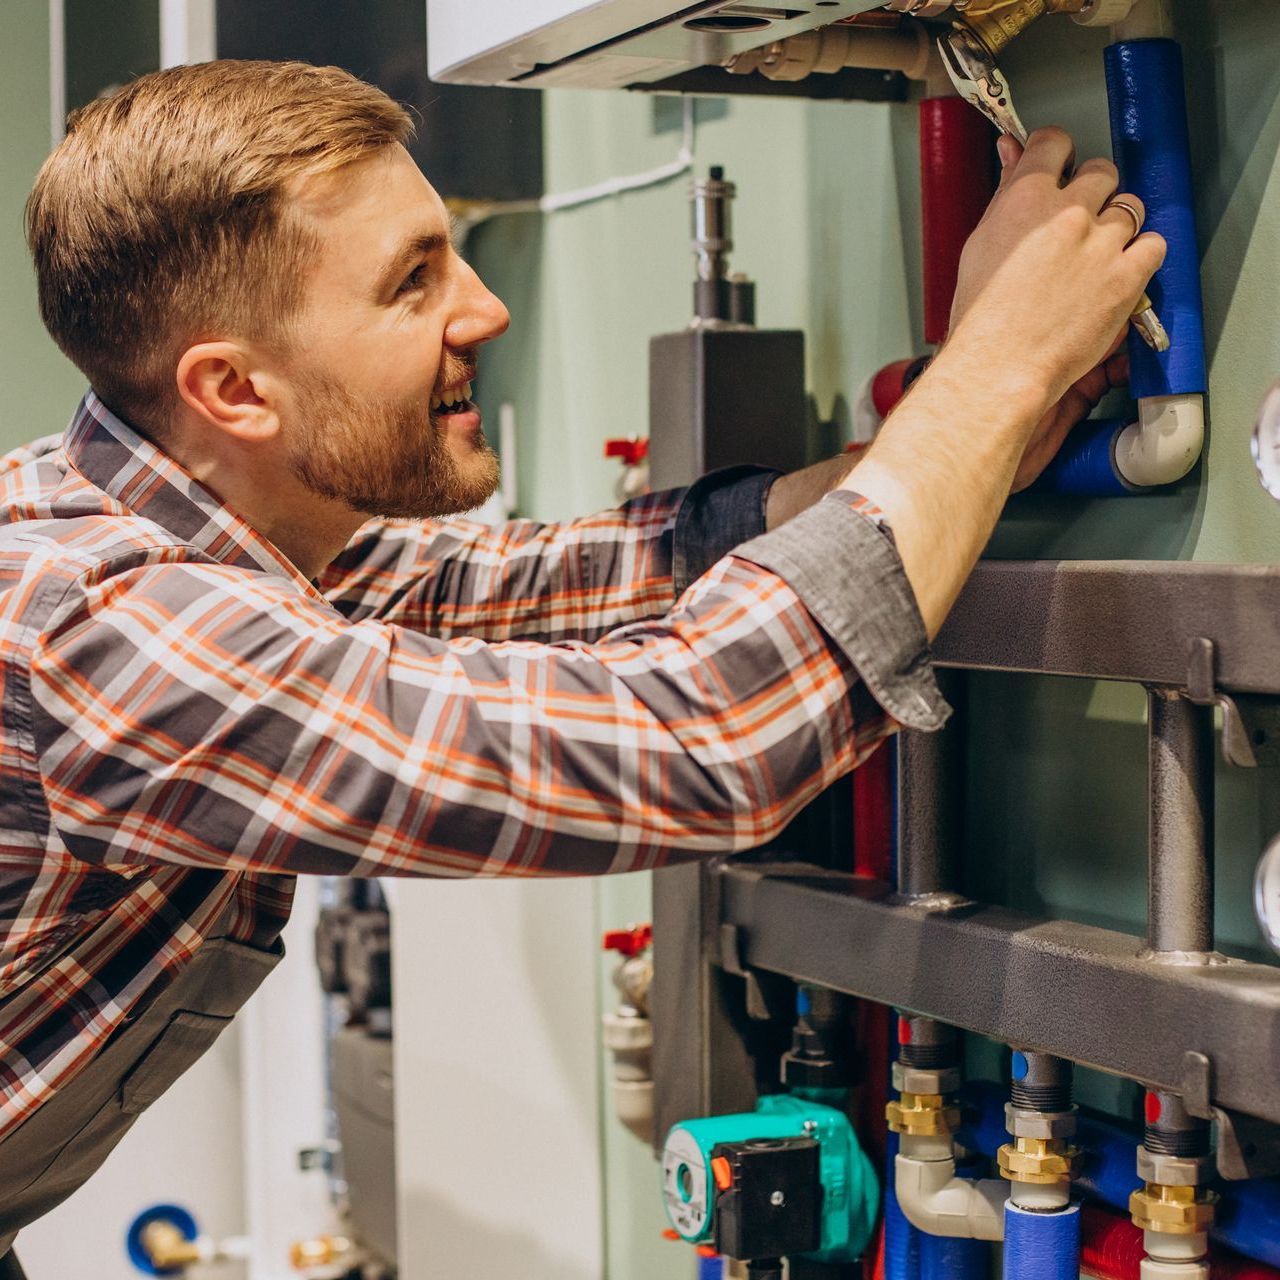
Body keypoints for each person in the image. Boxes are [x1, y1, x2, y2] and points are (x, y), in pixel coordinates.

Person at [0, 58, 1159, 1268]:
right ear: (234, 388)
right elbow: (696, 739)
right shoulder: (103, 632)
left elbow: (524, 589)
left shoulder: (184, 520)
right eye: (412, 280)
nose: (484, 307)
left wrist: (938, 447)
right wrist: (997, 369)